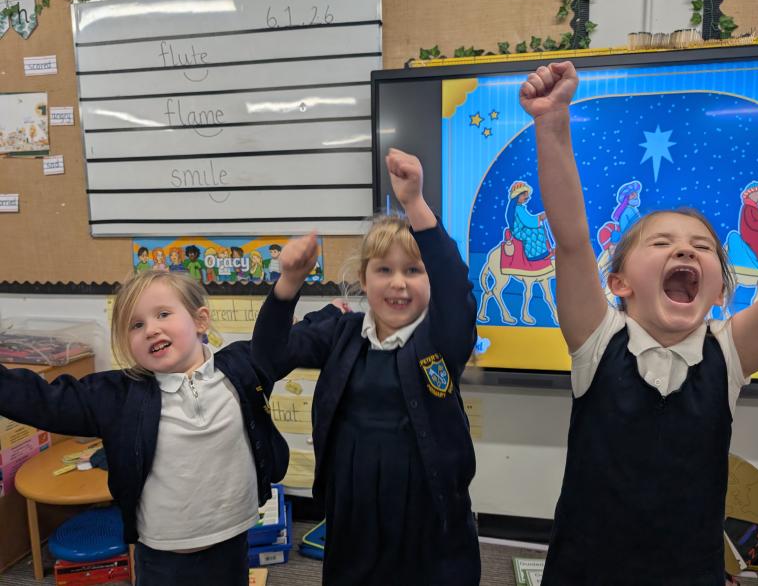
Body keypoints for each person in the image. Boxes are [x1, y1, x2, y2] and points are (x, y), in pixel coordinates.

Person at [519, 61, 758, 585]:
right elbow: (573, 239)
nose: (685, 251)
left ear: (720, 291)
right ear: (619, 282)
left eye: (702, 248)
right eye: (663, 243)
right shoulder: (598, 342)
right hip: (584, 574)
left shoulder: (728, 354)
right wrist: (552, 121)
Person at [251, 148, 480, 585]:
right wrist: (289, 284)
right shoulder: (340, 331)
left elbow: (455, 289)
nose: (398, 283)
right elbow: (269, 357)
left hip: (427, 518)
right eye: (384, 270)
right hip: (353, 514)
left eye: (414, 270)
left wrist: (414, 202)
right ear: (364, 277)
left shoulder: (441, 338)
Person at [0, 270, 290, 586]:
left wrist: (290, 282)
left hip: (232, 542)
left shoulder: (240, 369)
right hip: (163, 558)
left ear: (200, 320)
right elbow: (43, 401)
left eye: (163, 314)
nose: (151, 329)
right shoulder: (118, 395)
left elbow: (279, 341)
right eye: (136, 325)